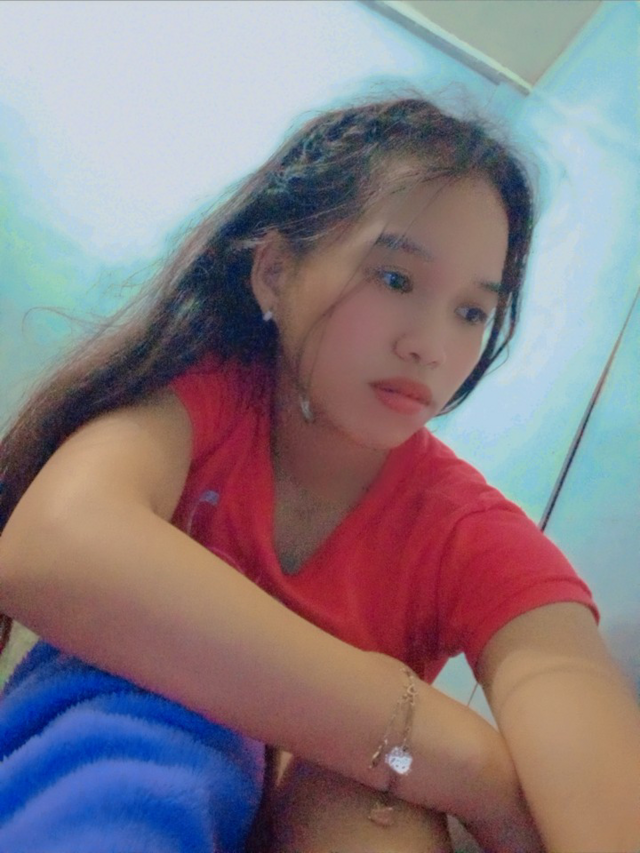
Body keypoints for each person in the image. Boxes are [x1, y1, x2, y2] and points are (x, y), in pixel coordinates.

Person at [0, 93, 639, 853]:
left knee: (364, 807)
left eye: (472, 312)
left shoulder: (466, 533)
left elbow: (594, 772)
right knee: (154, 723)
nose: (431, 346)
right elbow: (56, 546)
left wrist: (404, 758)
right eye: (396, 279)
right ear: (275, 271)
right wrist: (460, 758)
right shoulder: (204, 403)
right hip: (109, 795)